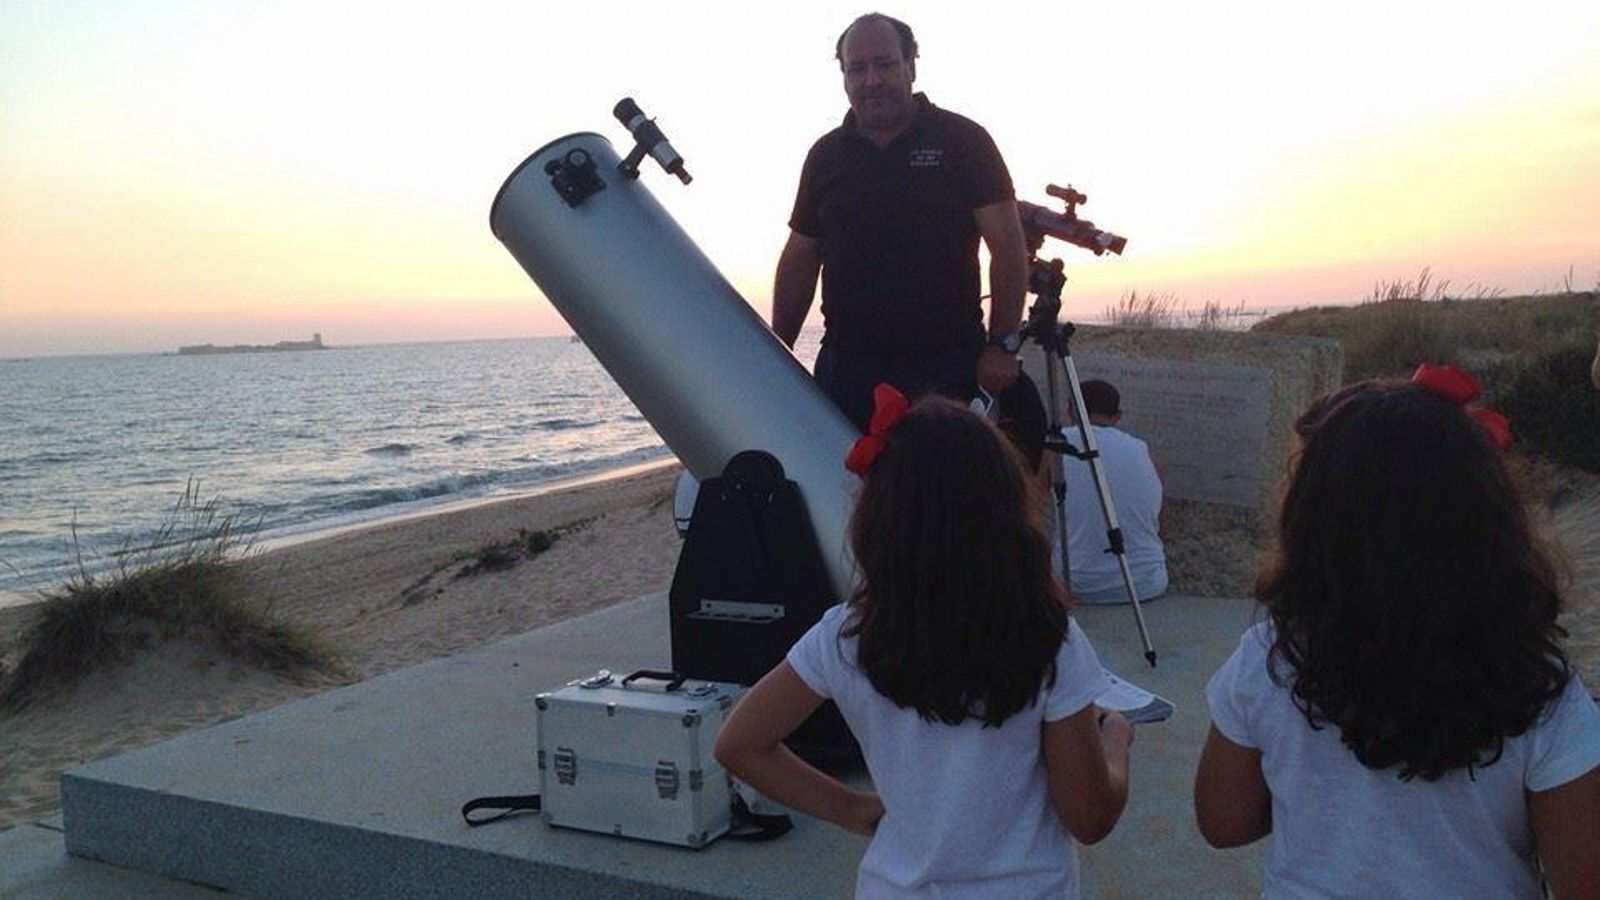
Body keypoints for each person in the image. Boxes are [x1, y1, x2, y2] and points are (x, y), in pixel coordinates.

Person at [1194, 370, 1600, 899]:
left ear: (1312, 521)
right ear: (1489, 521)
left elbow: (1223, 822)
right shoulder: (1539, 690)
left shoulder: (1271, 658)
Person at [715, 389, 1131, 899]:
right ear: (1006, 509)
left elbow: (739, 745)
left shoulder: (849, 634)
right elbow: (1090, 818)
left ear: (878, 518)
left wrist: (850, 807)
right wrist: (1115, 741)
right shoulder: (1046, 636)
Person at [771, 13, 1029, 431]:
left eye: (885, 64)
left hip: (945, 367)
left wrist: (1003, 342)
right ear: (844, 76)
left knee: (940, 492)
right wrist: (776, 348)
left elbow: (1008, 247)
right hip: (848, 369)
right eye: (857, 68)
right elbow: (801, 255)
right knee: (844, 493)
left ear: (911, 65)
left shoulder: (964, 141)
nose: (872, 79)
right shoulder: (826, 156)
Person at [1057, 380, 1167, 605]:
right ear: (1117, 416)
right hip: (1144, 582)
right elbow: (1161, 519)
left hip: (1073, 583)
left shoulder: (1055, 446)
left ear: (1070, 411)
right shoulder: (1143, 451)